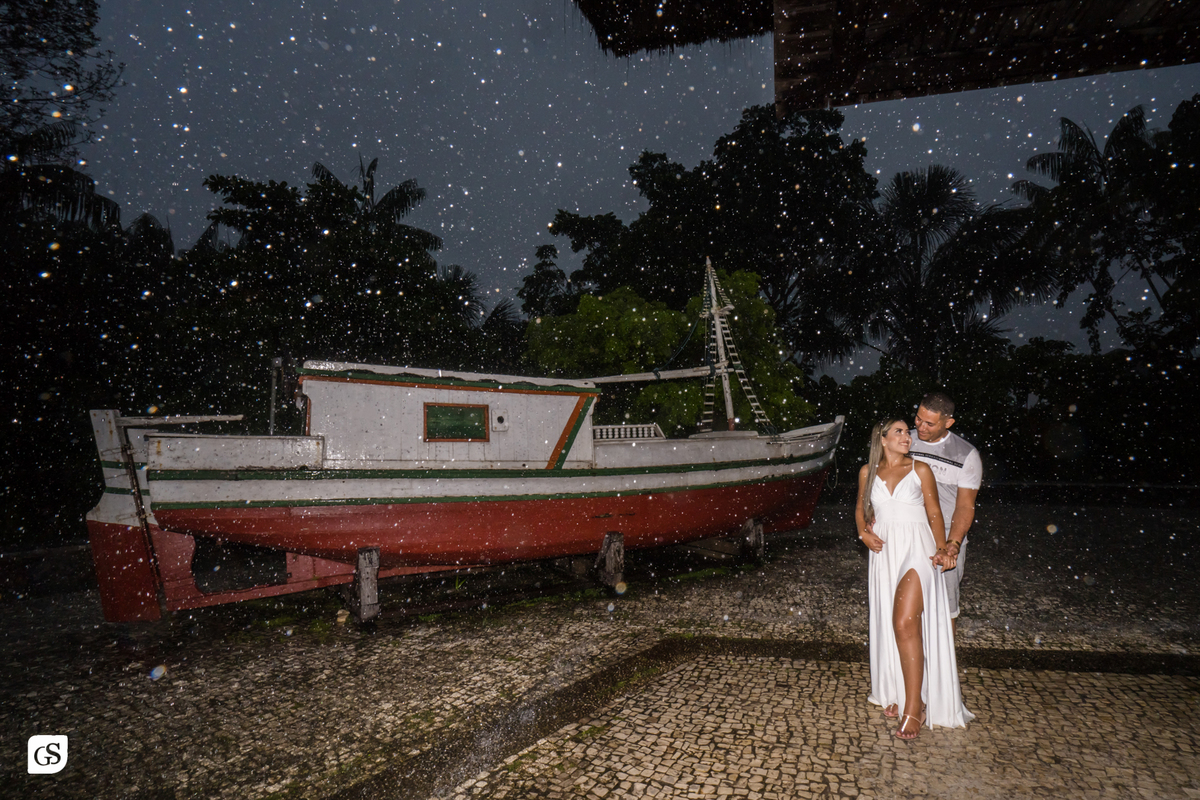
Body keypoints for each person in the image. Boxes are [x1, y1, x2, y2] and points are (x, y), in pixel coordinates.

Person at [855, 417, 974, 739]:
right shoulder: (868, 473)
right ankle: (897, 688)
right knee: (890, 620)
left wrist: (942, 549)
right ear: (882, 439)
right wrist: (863, 534)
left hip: (918, 549)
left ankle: (914, 707)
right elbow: (860, 509)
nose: (906, 436)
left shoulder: (920, 469)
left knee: (904, 621)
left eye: (907, 432)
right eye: (899, 432)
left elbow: (935, 512)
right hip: (884, 553)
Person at [909, 392, 982, 634]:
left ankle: (944, 666)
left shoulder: (966, 454)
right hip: (907, 531)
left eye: (929, 423)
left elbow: (965, 505)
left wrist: (954, 542)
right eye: (919, 418)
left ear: (948, 423)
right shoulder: (903, 441)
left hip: (946, 535)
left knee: (945, 606)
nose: (921, 426)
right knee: (904, 602)